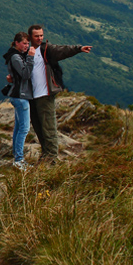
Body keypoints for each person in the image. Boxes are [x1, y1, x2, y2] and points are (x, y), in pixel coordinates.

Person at [27, 24, 92, 163]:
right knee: (38, 127)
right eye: (36, 36)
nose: (39, 38)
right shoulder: (26, 51)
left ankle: (52, 158)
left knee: (48, 126)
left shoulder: (46, 49)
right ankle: (46, 154)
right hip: (31, 96)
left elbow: (63, 50)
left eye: (41, 35)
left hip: (45, 94)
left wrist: (79, 48)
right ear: (30, 37)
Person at [2, 32, 35, 170]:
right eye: (24, 43)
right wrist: (31, 58)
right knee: (24, 128)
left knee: (18, 128)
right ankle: (19, 160)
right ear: (16, 43)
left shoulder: (16, 55)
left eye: (28, 43)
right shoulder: (16, 57)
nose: (26, 46)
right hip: (20, 96)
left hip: (18, 95)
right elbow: (25, 74)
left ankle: (17, 156)